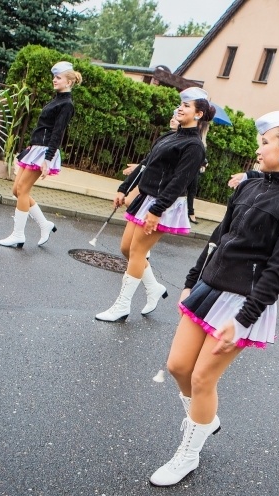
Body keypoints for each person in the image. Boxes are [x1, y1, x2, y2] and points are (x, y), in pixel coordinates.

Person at [149, 111, 279, 486]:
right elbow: (219, 236)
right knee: (178, 367)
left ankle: (188, 453)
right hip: (210, 286)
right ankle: (205, 420)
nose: (258, 150)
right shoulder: (249, 186)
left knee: (202, 378)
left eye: (264, 143)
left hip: (244, 301)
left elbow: (278, 270)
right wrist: (193, 278)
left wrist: (245, 319)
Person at [95, 87, 214, 322]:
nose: (180, 108)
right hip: (145, 198)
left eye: (187, 106)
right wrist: (124, 188)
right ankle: (154, 288)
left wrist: (157, 210)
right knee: (126, 249)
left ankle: (122, 306)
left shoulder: (194, 147)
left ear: (198, 114)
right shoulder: (169, 136)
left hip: (163, 205)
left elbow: (180, 182)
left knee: (138, 252)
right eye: (180, 104)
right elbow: (144, 165)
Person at [0, 61, 80, 248]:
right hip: (36, 148)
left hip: (44, 151)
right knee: (17, 190)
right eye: (55, 77)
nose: (54, 80)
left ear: (68, 82)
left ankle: (18, 235)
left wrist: (47, 159)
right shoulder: (57, 99)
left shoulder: (66, 104)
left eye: (58, 78)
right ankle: (45, 224)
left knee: (23, 191)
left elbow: (57, 133)